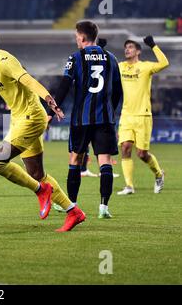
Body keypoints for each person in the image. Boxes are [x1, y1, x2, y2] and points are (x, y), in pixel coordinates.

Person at [0, 25, 86, 232]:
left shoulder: (4, 61)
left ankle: (41, 191)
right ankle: (73, 212)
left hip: (31, 117)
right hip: (20, 118)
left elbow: (28, 80)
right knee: (36, 172)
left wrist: (49, 100)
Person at [48, 20, 123, 219]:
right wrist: (110, 113)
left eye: (76, 37)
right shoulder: (111, 58)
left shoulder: (75, 57)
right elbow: (118, 92)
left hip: (81, 119)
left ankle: (72, 205)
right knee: (105, 161)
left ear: (82, 37)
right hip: (105, 120)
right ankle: (103, 208)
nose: (76, 41)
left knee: (75, 159)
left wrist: (52, 109)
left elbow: (64, 85)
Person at [116, 36, 169, 195]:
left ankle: (159, 174)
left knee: (142, 154)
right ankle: (129, 186)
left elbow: (164, 63)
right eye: (126, 47)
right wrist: (101, 50)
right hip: (126, 115)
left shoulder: (146, 67)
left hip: (143, 116)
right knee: (125, 147)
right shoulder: (121, 67)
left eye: (131, 47)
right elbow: (104, 66)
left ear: (138, 51)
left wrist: (153, 45)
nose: (127, 49)